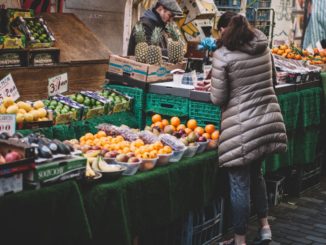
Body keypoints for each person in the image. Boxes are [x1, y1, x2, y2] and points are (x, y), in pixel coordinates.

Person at [210, 13, 288, 245]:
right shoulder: (264, 48)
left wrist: (214, 83)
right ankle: (265, 228)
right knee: (257, 175)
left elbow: (218, 97)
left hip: (242, 128)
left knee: (239, 183)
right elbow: (272, 80)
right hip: (266, 122)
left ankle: (240, 239)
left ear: (226, 30)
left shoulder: (223, 55)